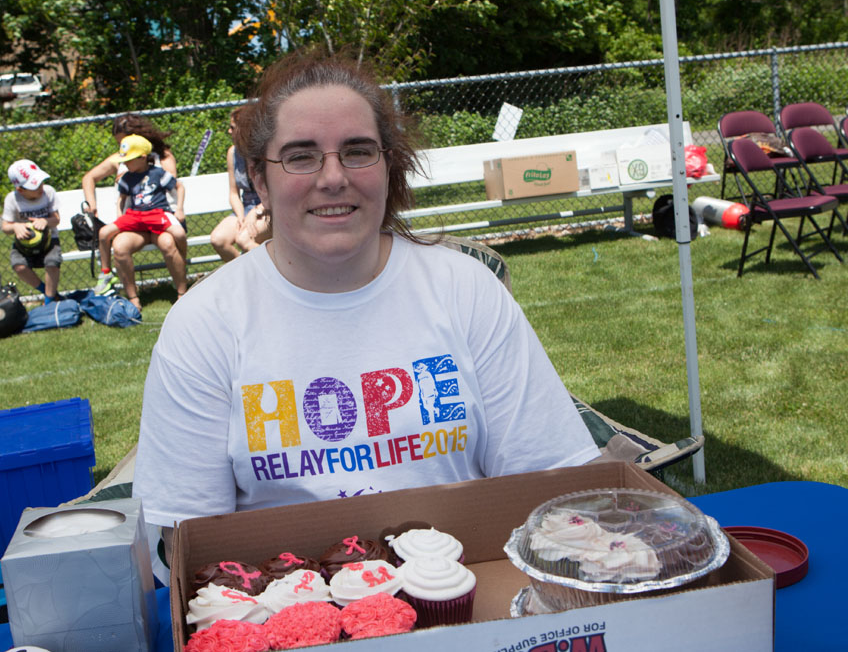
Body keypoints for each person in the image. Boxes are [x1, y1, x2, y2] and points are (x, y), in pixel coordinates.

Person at [133, 50, 600, 540]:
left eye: (357, 151)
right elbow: (182, 539)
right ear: (259, 181)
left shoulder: (466, 290)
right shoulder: (205, 323)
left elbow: (552, 486)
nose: (333, 178)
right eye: (301, 156)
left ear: (386, 165)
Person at [81, 114, 188, 303]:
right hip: (134, 220)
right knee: (119, 246)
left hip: (160, 217)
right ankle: (133, 299)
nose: (123, 148)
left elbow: (170, 184)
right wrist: (92, 205)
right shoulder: (119, 159)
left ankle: (182, 290)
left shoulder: (163, 157)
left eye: (123, 141)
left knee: (167, 243)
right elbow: (88, 178)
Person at [209, 107, 272, 262]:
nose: (229, 132)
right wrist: (240, 216)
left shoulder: (266, 152)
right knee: (218, 239)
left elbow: (277, 191)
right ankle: (246, 275)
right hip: (246, 209)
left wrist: (256, 212)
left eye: (232, 128)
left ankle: (272, 275)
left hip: (269, 208)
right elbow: (233, 193)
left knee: (243, 239)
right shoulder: (233, 152)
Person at [1, 159, 62, 304]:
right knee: (19, 266)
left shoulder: (48, 192)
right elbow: (5, 227)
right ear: (20, 190)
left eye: (40, 182)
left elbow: (57, 219)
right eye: (34, 185)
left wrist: (46, 221)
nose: (40, 187)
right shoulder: (12, 199)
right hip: (25, 244)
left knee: (52, 263)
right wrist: (16, 226)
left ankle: (49, 300)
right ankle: (45, 290)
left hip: (49, 240)